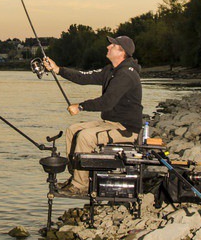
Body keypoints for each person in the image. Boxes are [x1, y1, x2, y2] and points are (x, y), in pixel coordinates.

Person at [42, 35, 143, 196]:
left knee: (85, 137)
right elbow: (84, 77)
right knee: (72, 130)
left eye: (112, 46)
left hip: (126, 128)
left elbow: (107, 102)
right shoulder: (110, 70)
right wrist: (58, 69)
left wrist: (81, 106)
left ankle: (80, 186)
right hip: (110, 122)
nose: (108, 47)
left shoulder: (126, 75)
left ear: (121, 51)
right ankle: (76, 177)